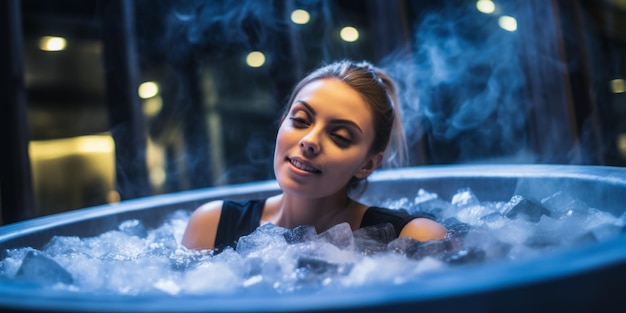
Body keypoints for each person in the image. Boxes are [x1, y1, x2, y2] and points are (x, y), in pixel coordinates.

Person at [182, 60, 447, 251]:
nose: (309, 141)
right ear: (282, 122)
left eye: (340, 136)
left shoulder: (414, 239)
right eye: (300, 120)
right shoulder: (212, 225)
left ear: (367, 164)